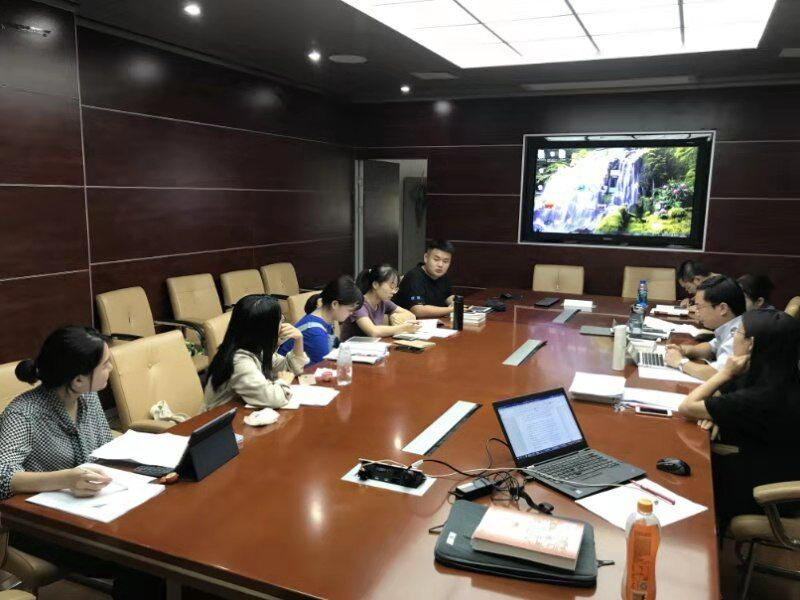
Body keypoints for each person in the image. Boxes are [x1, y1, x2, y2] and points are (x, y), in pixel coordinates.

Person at [0, 326, 164, 599]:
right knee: (141, 563)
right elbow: (2, 477)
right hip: (36, 525)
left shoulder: (87, 397)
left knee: (156, 539)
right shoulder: (23, 414)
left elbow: (104, 448)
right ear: (78, 380)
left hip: (89, 512)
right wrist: (67, 478)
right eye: (105, 364)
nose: (111, 368)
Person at [678, 310, 800, 529]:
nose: (732, 338)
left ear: (751, 344)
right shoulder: (777, 376)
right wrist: (716, 414)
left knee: (681, 478)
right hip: (767, 466)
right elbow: (718, 396)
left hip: (762, 492)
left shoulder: (763, 396)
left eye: (737, 332)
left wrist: (724, 373)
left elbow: (687, 407)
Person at [204, 294, 309, 411]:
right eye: (280, 320)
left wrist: (298, 339)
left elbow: (290, 369)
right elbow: (271, 398)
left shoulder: (255, 347)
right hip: (219, 417)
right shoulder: (239, 361)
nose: (283, 324)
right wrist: (283, 382)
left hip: (240, 411)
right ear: (265, 329)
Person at [665, 275, 746, 380]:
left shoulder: (740, 334)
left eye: (699, 307)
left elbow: (718, 374)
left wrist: (680, 362)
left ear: (722, 308)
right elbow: (711, 347)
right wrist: (684, 350)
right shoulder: (732, 325)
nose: (697, 313)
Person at [279, 275, 363, 364]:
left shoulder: (325, 322)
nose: (351, 314)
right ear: (335, 304)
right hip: (289, 372)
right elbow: (326, 366)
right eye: (350, 310)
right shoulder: (315, 333)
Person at [340, 264, 420, 341]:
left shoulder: (383, 302)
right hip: (351, 348)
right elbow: (373, 331)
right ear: (375, 284)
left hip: (371, 346)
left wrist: (395, 316)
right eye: (391, 286)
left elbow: (410, 315)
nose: (393, 291)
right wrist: (402, 328)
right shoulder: (359, 304)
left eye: (395, 288)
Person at [394, 239, 455, 318]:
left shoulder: (442, 275)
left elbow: (447, 297)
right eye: (436, 259)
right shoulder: (414, 276)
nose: (440, 265)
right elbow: (418, 311)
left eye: (445, 261)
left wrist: (456, 303)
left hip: (434, 322)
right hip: (407, 323)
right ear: (426, 258)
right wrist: (451, 309)